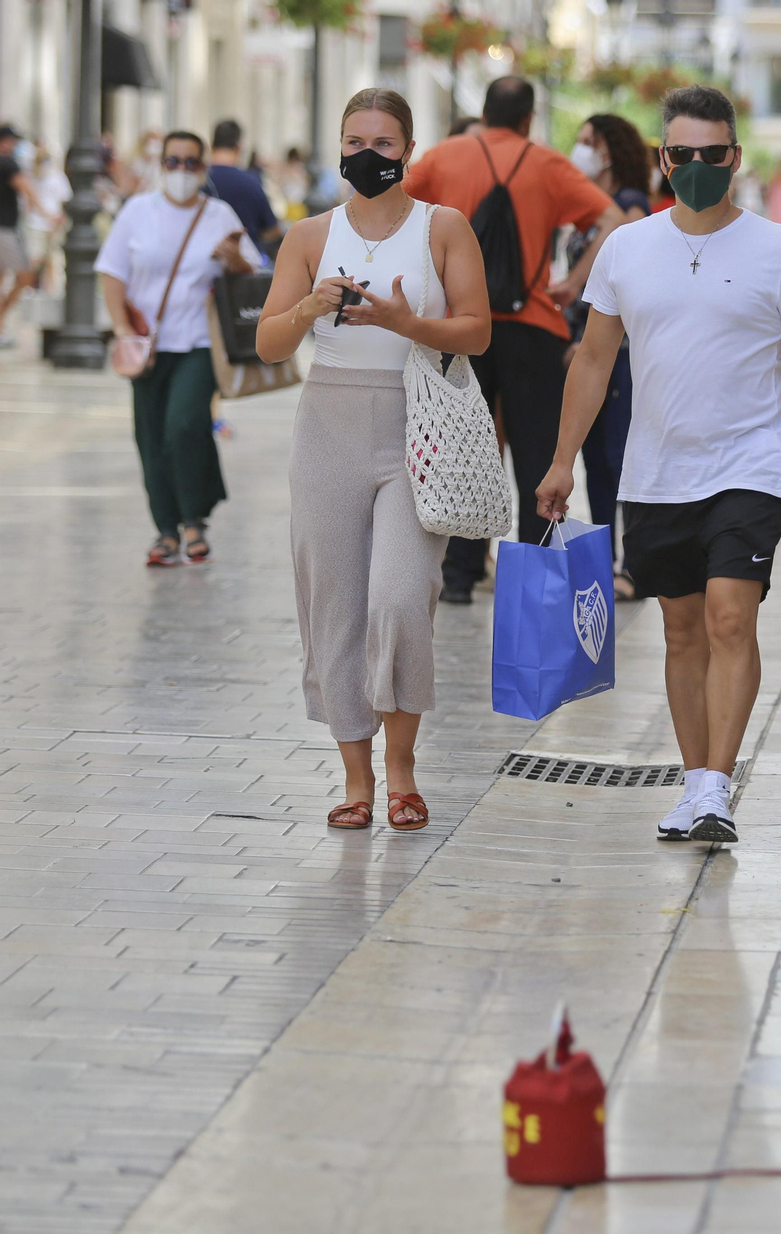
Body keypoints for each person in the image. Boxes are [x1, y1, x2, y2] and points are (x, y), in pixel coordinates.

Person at [535, 84, 781, 845]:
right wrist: (561, 462)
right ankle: (693, 786)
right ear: (662, 158)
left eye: (710, 155)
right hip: (656, 471)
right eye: (680, 154)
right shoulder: (626, 248)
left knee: (730, 614)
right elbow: (592, 361)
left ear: (735, 158)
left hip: (748, 465)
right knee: (682, 630)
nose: (695, 167)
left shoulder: (779, 251)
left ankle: (718, 786)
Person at [254, 88, 491, 832]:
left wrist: (406, 321)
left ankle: (403, 768)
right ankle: (355, 777)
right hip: (327, 422)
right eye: (355, 141)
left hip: (415, 421)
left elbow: (478, 331)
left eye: (384, 144)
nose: (368, 155)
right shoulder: (308, 235)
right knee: (332, 603)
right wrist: (308, 308)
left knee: (398, 595)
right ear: (338, 147)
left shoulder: (443, 227)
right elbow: (267, 343)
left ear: (409, 152)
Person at [405, 76, 624, 605]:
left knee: (458, 449)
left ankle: (457, 578)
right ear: (528, 118)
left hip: (459, 326)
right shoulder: (547, 163)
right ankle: (537, 578)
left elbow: (395, 212)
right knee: (535, 455)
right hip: (533, 328)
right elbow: (613, 219)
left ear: (483, 111)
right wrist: (574, 284)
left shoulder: (445, 157)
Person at [95, 130, 260, 565]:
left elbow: (254, 272)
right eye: (173, 162)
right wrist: (120, 328)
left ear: (203, 169)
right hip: (145, 345)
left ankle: (194, 518)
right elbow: (112, 273)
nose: (181, 171)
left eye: (191, 163)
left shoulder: (219, 215)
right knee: (150, 436)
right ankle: (166, 530)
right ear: (160, 165)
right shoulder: (137, 212)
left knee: (184, 424)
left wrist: (233, 258)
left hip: (201, 342)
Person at [565, 113, 651, 599]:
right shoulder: (592, 209)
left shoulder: (630, 207)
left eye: (587, 142)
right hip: (586, 349)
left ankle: (632, 566)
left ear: (610, 150)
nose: (579, 151)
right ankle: (605, 562)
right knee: (596, 462)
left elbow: (629, 285)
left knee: (619, 458)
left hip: (616, 354)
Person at [0, 124, 48, 348]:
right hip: (5, 230)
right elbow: (26, 187)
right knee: (26, 275)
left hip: (6, 228)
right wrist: (48, 213)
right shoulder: (8, 163)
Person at [206, 120, 283, 253]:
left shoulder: (200, 181)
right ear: (239, 147)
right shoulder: (251, 182)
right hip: (246, 263)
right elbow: (272, 230)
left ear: (212, 146)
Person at [25, 146, 68, 292]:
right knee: (34, 258)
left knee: (53, 259)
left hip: (54, 223)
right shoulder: (31, 177)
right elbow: (29, 202)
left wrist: (58, 221)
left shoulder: (58, 178)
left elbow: (64, 201)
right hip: (36, 223)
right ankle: (30, 286)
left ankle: (52, 289)